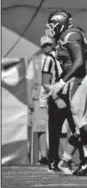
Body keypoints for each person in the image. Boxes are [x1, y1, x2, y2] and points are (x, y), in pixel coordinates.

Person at [43, 10, 87, 176]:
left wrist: (60, 83)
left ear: (60, 23)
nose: (51, 28)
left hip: (85, 77)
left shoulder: (70, 35)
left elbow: (79, 61)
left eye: (53, 24)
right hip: (82, 79)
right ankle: (79, 159)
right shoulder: (66, 35)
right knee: (79, 120)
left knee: (82, 120)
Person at [40, 35, 77, 172]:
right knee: (55, 132)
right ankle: (53, 161)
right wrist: (56, 98)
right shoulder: (50, 59)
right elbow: (45, 82)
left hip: (72, 97)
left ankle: (84, 159)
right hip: (57, 98)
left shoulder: (74, 57)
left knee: (78, 130)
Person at [26, 35, 54, 165]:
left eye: (49, 44)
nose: (47, 47)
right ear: (42, 47)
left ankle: (58, 155)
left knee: (59, 127)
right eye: (45, 45)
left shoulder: (58, 58)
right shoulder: (36, 60)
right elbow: (29, 79)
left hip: (55, 95)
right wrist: (29, 99)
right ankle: (44, 155)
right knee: (41, 126)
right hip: (39, 96)